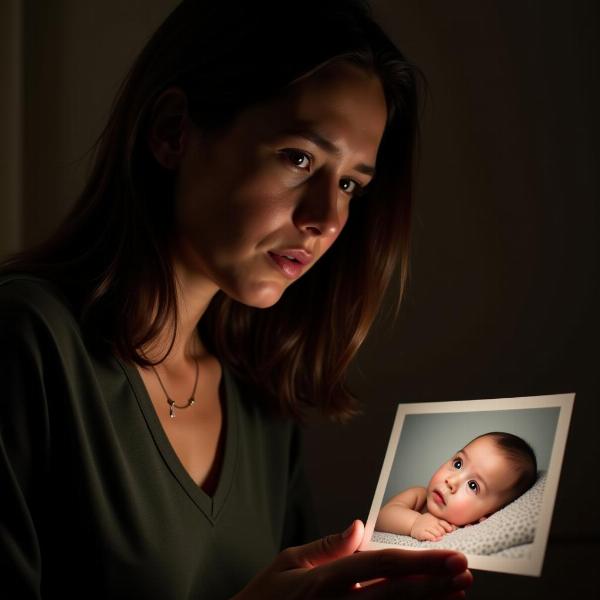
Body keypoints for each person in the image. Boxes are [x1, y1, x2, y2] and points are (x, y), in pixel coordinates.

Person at [0, 0, 474, 597]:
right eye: (299, 158)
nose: (327, 218)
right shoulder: (27, 346)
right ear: (173, 131)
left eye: (351, 183)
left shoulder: (261, 401)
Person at [376, 432, 538, 541]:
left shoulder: (469, 530)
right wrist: (415, 522)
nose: (452, 481)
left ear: (488, 514)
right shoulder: (418, 495)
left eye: (473, 485)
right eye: (458, 463)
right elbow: (381, 518)